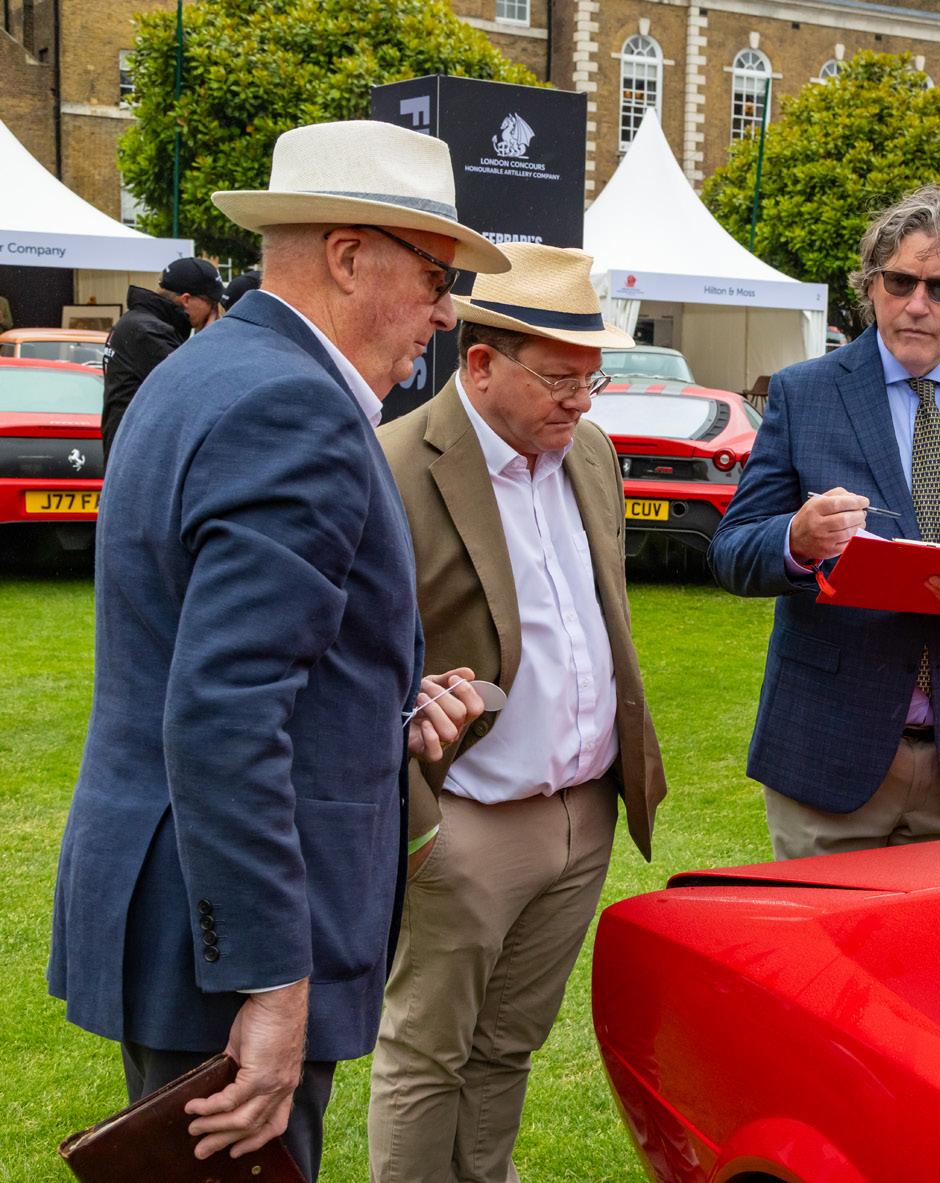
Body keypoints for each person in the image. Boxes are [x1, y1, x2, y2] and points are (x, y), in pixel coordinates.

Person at [47, 119, 512, 1181]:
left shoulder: (209, 370)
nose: (447, 312)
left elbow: (219, 646)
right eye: (436, 276)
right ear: (346, 256)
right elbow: (224, 709)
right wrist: (270, 983)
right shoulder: (294, 406)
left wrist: (386, 702)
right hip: (230, 934)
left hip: (186, 899)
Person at [367, 244, 668, 1183]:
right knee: (427, 1053)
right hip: (466, 818)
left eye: (592, 379)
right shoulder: (393, 463)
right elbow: (349, 658)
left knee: (507, 1048)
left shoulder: (589, 451)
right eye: (560, 379)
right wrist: (426, 821)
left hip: (582, 813)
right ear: (481, 363)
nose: (581, 403)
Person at [708, 185, 940, 860]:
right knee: (827, 934)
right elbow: (732, 549)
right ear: (871, 285)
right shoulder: (805, 391)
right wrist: (795, 541)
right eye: (900, 281)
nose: (917, 303)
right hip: (827, 749)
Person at [101, 257, 223, 458]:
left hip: (127, 451)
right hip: (138, 455)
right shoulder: (150, 332)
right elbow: (196, 391)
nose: (215, 314)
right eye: (211, 304)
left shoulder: (136, 321)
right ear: (186, 299)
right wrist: (209, 339)